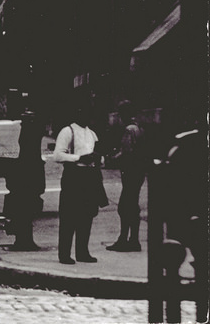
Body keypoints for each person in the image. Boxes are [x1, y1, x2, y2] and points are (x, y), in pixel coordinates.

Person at [53, 97, 105, 264]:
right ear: (78, 112)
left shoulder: (92, 134)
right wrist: (79, 158)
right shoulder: (68, 131)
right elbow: (58, 155)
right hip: (73, 176)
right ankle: (64, 254)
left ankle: (82, 252)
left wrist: (98, 159)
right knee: (69, 216)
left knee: (86, 216)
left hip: (90, 177)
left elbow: (99, 156)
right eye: (85, 112)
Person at [106, 100, 145, 252]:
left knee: (124, 207)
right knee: (132, 206)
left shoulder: (129, 129)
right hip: (138, 171)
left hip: (131, 171)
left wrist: (112, 158)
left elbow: (126, 152)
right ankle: (133, 239)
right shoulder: (139, 127)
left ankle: (125, 239)